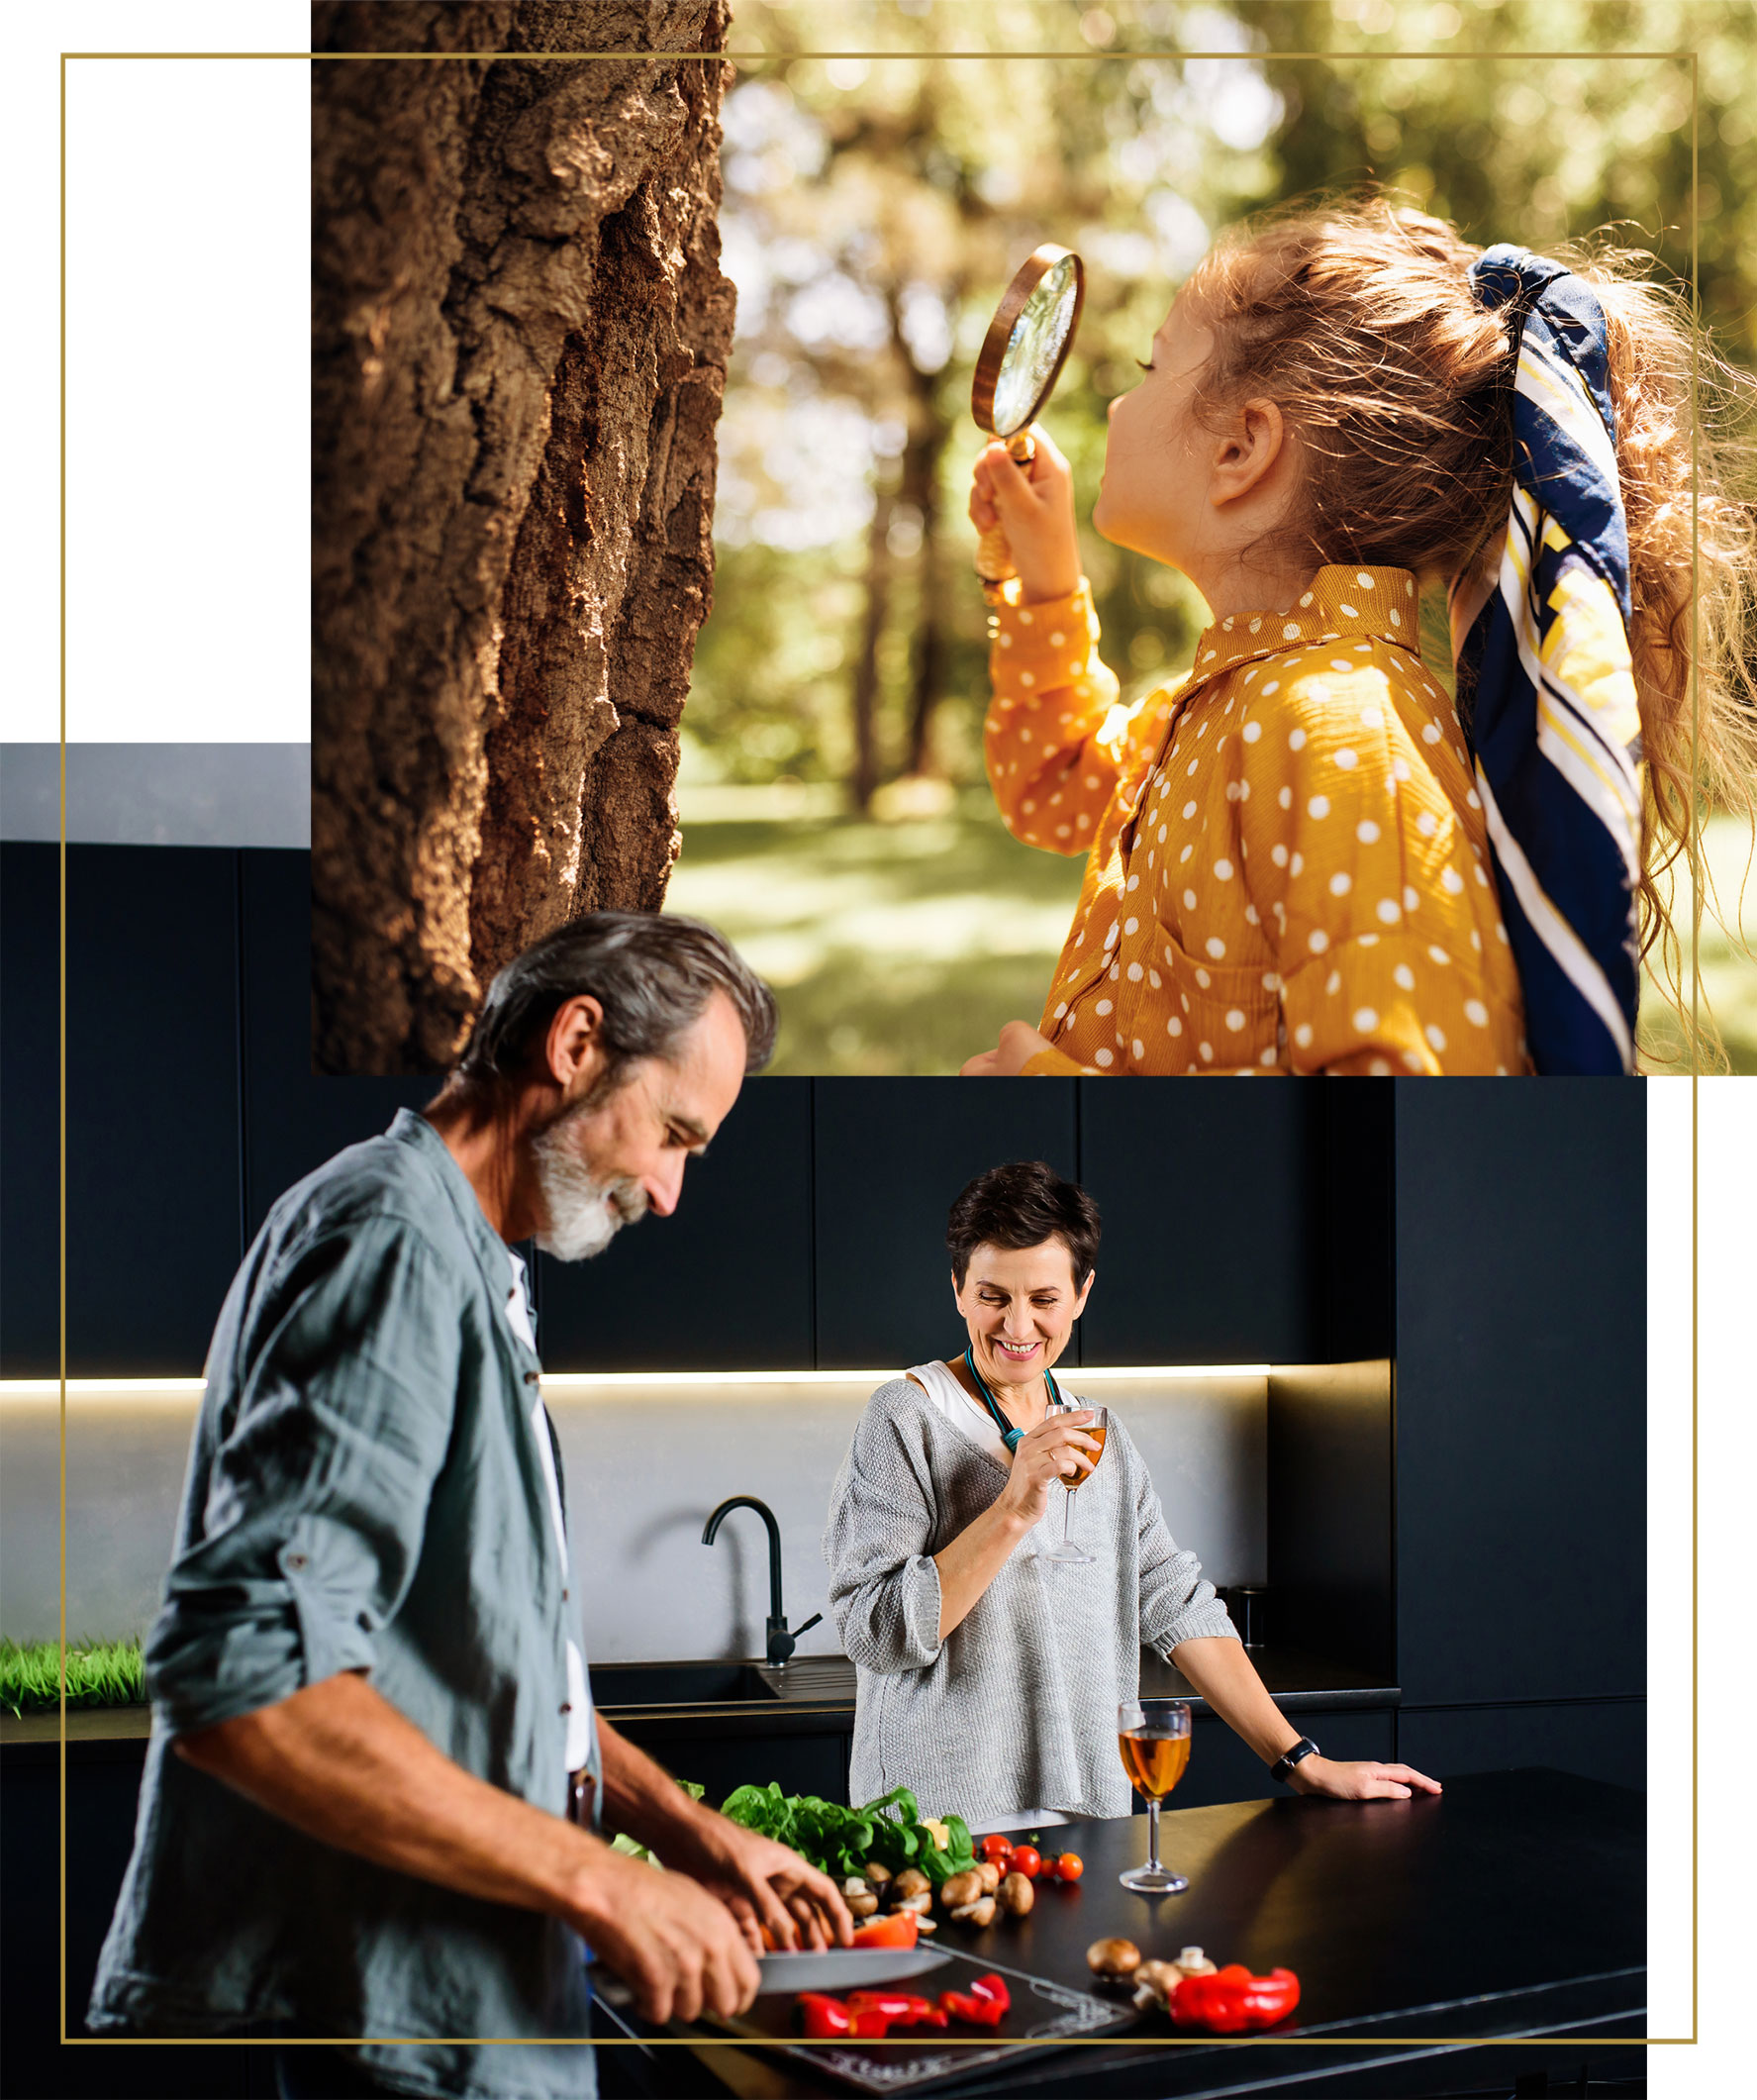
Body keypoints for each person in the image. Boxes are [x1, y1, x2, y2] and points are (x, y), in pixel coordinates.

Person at [88, 914, 852, 2100]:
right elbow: (248, 1681)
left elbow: (468, 1671)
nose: (667, 1191)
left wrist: (682, 1831)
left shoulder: (469, 1253)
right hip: (411, 2023)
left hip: (474, 2004)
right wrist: (603, 1883)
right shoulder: (393, 1242)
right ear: (577, 1043)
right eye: (672, 1135)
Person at [960, 196, 1757, 1077]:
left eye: (1150, 366)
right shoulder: (1235, 700)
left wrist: (1057, 1102)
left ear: (1241, 449)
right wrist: (1041, 580)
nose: (1115, 402)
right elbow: (1058, 784)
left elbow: (1406, 1137)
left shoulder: (1344, 730)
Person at [824, 1160, 1438, 1830]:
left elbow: (1172, 1599)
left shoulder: (1100, 1435)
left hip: (1087, 1811)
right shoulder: (904, 1416)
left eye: (1044, 1298)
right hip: (938, 1820)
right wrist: (1012, 1507)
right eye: (993, 1295)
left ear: (1082, 1293)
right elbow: (872, 1631)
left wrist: (1299, 1760)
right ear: (958, 1290)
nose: (1018, 1325)